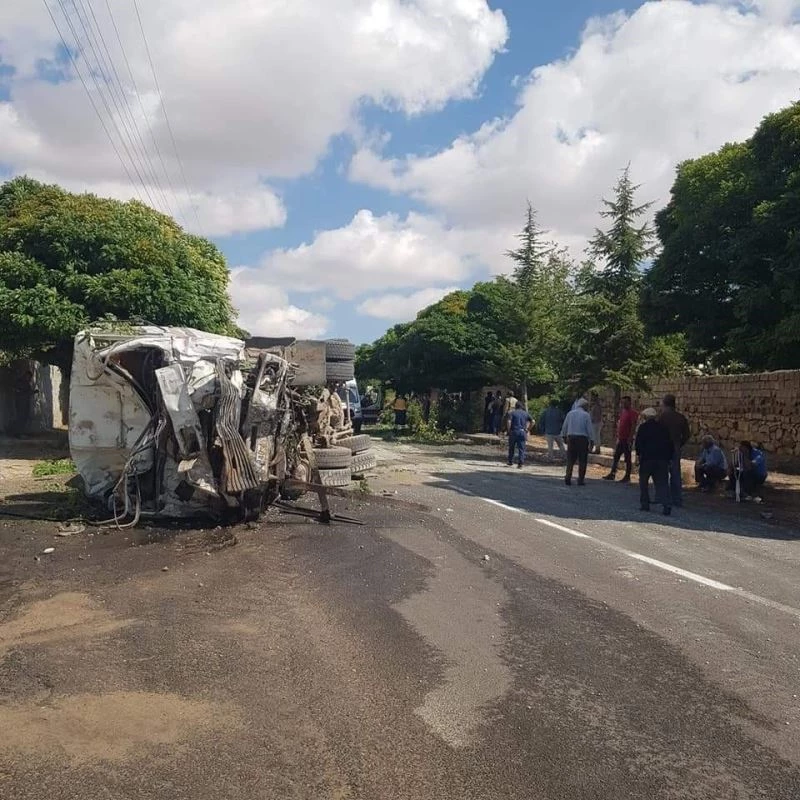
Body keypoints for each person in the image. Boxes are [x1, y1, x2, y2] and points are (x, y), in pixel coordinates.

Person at [634, 407, 674, 515]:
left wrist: (638, 456)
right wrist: (669, 458)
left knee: (644, 482)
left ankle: (645, 504)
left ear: (646, 417)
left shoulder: (643, 428)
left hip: (647, 459)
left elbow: (638, 444)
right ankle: (666, 505)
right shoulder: (663, 428)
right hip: (662, 460)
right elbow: (670, 444)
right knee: (662, 483)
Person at [658, 393, 691, 508]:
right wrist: (679, 443)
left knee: (662, 473)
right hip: (676, 447)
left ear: (665, 403)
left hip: (663, 448)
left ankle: (664, 497)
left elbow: (658, 432)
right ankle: (677, 499)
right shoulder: (681, 417)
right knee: (675, 474)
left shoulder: (662, 417)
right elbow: (687, 434)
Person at [603, 396, 638, 483]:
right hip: (621, 438)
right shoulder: (623, 412)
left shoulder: (632, 413)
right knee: (616, 456)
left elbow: (633, 426)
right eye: (622, 402)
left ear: (630, 402)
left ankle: (627, 476)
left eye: (625, 402)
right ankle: (613, 473)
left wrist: (630, 438)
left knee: (627, 458)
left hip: (627, 439)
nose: (623, 404)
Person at [561, 398, 594, 486]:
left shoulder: (570, 414)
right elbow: (589, 429)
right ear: (584, 406)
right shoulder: (586, 415)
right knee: (582, 460)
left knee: (570, 460)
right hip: (582, 439)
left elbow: (565, 426)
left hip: (571, 438)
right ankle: (580, 479)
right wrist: (592, 441)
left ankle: (568, 477)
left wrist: (564, 437)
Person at [507, 401, 532, 469]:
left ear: (515, 406)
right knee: (521, 448)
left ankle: (510, 461)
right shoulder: (525, 413)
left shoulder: (512, 413)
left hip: (514, 431)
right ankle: (520, 463)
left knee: (511, 447)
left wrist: (509, 430)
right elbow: (533, 421)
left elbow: (509, 422)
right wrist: (528, 429)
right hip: (522, 432)